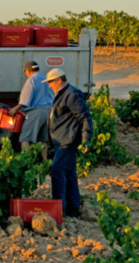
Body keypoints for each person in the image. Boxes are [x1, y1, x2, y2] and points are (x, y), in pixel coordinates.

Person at [44, 68, 94, 217]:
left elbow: (85, 117)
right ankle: (73, 208)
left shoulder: (71, 94)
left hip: (67, 140)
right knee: (70, 173)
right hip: (61, 140)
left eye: (51, 82)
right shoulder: (62, 94)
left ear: (59, 79)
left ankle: (58, 209)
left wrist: (86, 138)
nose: (49, 86)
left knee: (57, 170)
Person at [9, 60, 54, 159]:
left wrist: (14, 109)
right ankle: (45, 162)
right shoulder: (46, 78)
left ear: (28, 71)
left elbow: (25, 101)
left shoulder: (31, 80)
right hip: (49, 110)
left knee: (25, 138)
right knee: (43, 139)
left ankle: (27, 162)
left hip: (37, 111)